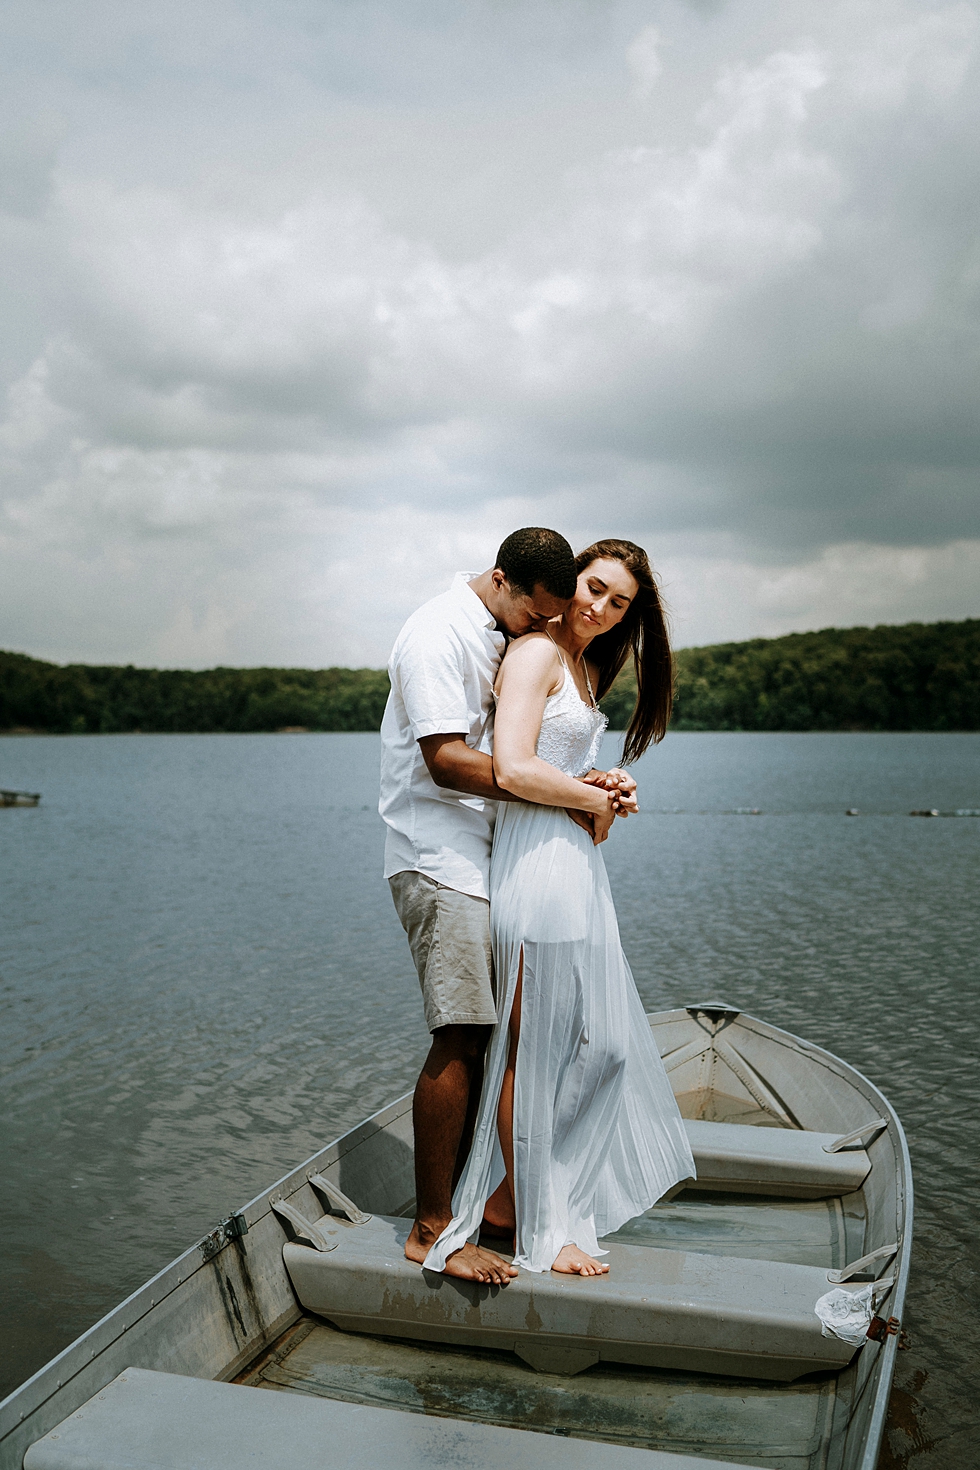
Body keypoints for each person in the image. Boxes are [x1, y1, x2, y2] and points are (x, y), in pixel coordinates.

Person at [423, 539, 696, 1278]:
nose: (600, 608)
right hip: (535, 864)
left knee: (603, 1046)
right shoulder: (536, 654)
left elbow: (555, 762)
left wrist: (604, 786)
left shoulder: (582, 666)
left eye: (618, 603)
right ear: (570, 578)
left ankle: (513, 1201)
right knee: (534, 1050)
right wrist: (589, 797)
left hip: (575, 867)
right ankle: (543, 1226)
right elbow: (512, 765)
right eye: (594, 587)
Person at [379, 528, 637, 1285]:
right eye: (541, 613)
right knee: (461, 1033)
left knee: (501, 1040)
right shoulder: (436, 633)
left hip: (488, 857)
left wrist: (581, 785)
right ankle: (433, 1229)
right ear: (503, 581)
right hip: (438, 858)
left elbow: (530, 751)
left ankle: (490, 1203)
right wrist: (564, 791)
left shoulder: (508, 631)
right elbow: (446, 759)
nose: (546, 627)